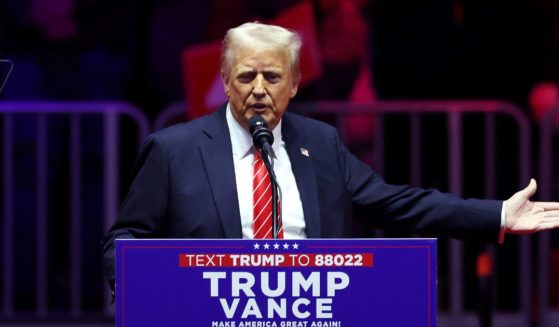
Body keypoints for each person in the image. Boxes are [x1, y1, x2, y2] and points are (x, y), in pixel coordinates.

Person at [101, 22, 559, 289]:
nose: (259, 89)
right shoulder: (173, 149)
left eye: (273, 77)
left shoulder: (319, 144)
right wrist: (159, 289)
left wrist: (495, 214)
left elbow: (397, 203)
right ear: (225, 82)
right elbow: (123, 240)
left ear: (296, 84)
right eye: (246, 77)